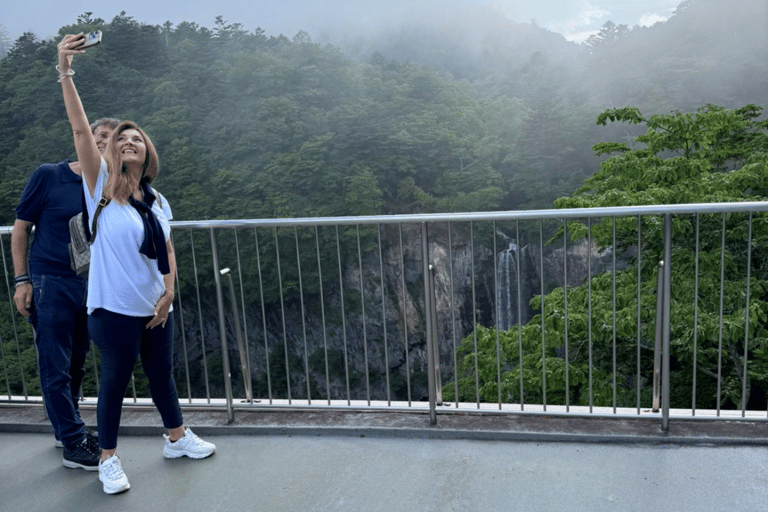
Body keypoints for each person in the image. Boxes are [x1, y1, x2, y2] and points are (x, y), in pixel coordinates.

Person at [57, 33, 215, 495]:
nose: (128, 142)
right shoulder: (99, 192)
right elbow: (82, 131)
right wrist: (65, 70)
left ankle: (176, 437)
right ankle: (107, 458)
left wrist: (169, 294)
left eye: (136, 139)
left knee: (162, 375)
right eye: (121, 139)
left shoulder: (157, 199)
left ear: (147, 153)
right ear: (112, 152)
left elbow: (166, 250)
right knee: (115, 383)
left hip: (154, 307)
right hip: (112, 309)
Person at [13, 117, 120, 471]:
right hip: (50, 280)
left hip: (89, 285)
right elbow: (20, 229)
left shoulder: (107, 184)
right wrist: (21, 281)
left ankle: (65, 428)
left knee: (77, 360)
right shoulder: (49, 175)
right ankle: (74, 443)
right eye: (99, 135)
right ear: (85, 138)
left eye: (112, 138)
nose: (105, 141)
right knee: (53, 362)